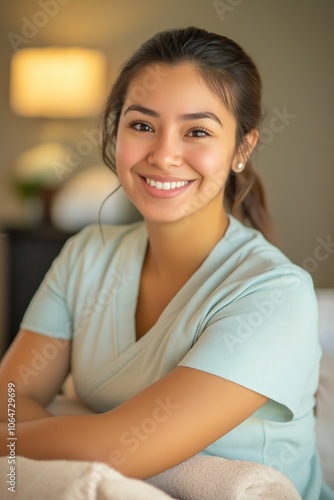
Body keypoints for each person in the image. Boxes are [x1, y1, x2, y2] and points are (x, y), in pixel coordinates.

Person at [0, 26, 330, 499]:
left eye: (197, 131)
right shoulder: (86, 255)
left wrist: (79, 436)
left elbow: (118, 450)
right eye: (141, 125)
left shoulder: (275, 294)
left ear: (243, 148)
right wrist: (83, 439)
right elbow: (10, 401)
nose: (164, 155)